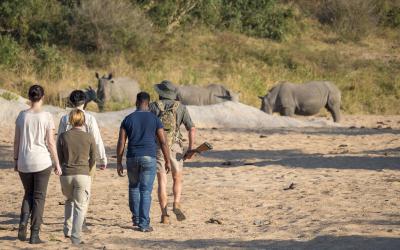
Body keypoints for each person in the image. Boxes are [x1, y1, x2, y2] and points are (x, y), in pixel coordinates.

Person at [13, 85, 62, 244]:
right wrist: (57, 163)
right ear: (43, 96)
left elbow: (17, 141)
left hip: (24, 161)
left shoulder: (22, 116)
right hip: (42, 162)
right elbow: (50, 142)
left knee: (28, 193)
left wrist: (15, 160)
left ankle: (23, 222)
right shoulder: (47, 116)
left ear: (29, 97)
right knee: (39, 197)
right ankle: (34, 235)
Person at [116, 92, 171, 232]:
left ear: (137, 102)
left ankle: (136, 218)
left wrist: (119, 161)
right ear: (148, 103)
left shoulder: (127, 119)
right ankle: (144, 224)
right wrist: (167, 160)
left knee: (133, 187)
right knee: (145, 191)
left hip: (132, 157)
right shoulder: (155, 119)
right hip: (149, 157)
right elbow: (163, 142)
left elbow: (121, 142)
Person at [58, 90, 107, 231]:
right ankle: (81, 222)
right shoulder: (90, 118)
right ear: (84, 102)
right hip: (86, 160)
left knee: (70, 196)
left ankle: (72, 223)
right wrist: (102, 158)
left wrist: (57, 161)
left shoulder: (64, 118)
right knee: (84, 193)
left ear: (71, 102)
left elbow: (59, 140)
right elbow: (96, 140)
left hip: (68, 159)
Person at [149, 80, 196, 224]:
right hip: (176, 146)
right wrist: (191, 147)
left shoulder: (153, 107)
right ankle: (176, 202)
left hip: (158, 146)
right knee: (177, 177)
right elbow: (191, 128)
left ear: (160, 93)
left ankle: (164, 215)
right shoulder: (181, 107)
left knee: (162, 181)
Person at [57, 109, 96, 245]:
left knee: (69, 200)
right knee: (80, 205)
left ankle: (67, 229)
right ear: (84, 120)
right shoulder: (89, 137)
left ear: (70, 120)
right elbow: (93, 157)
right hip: (82, 174)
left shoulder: (63, 136)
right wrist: (88, 168)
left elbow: (59, 156)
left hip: (66, 174)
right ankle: (76, 235)